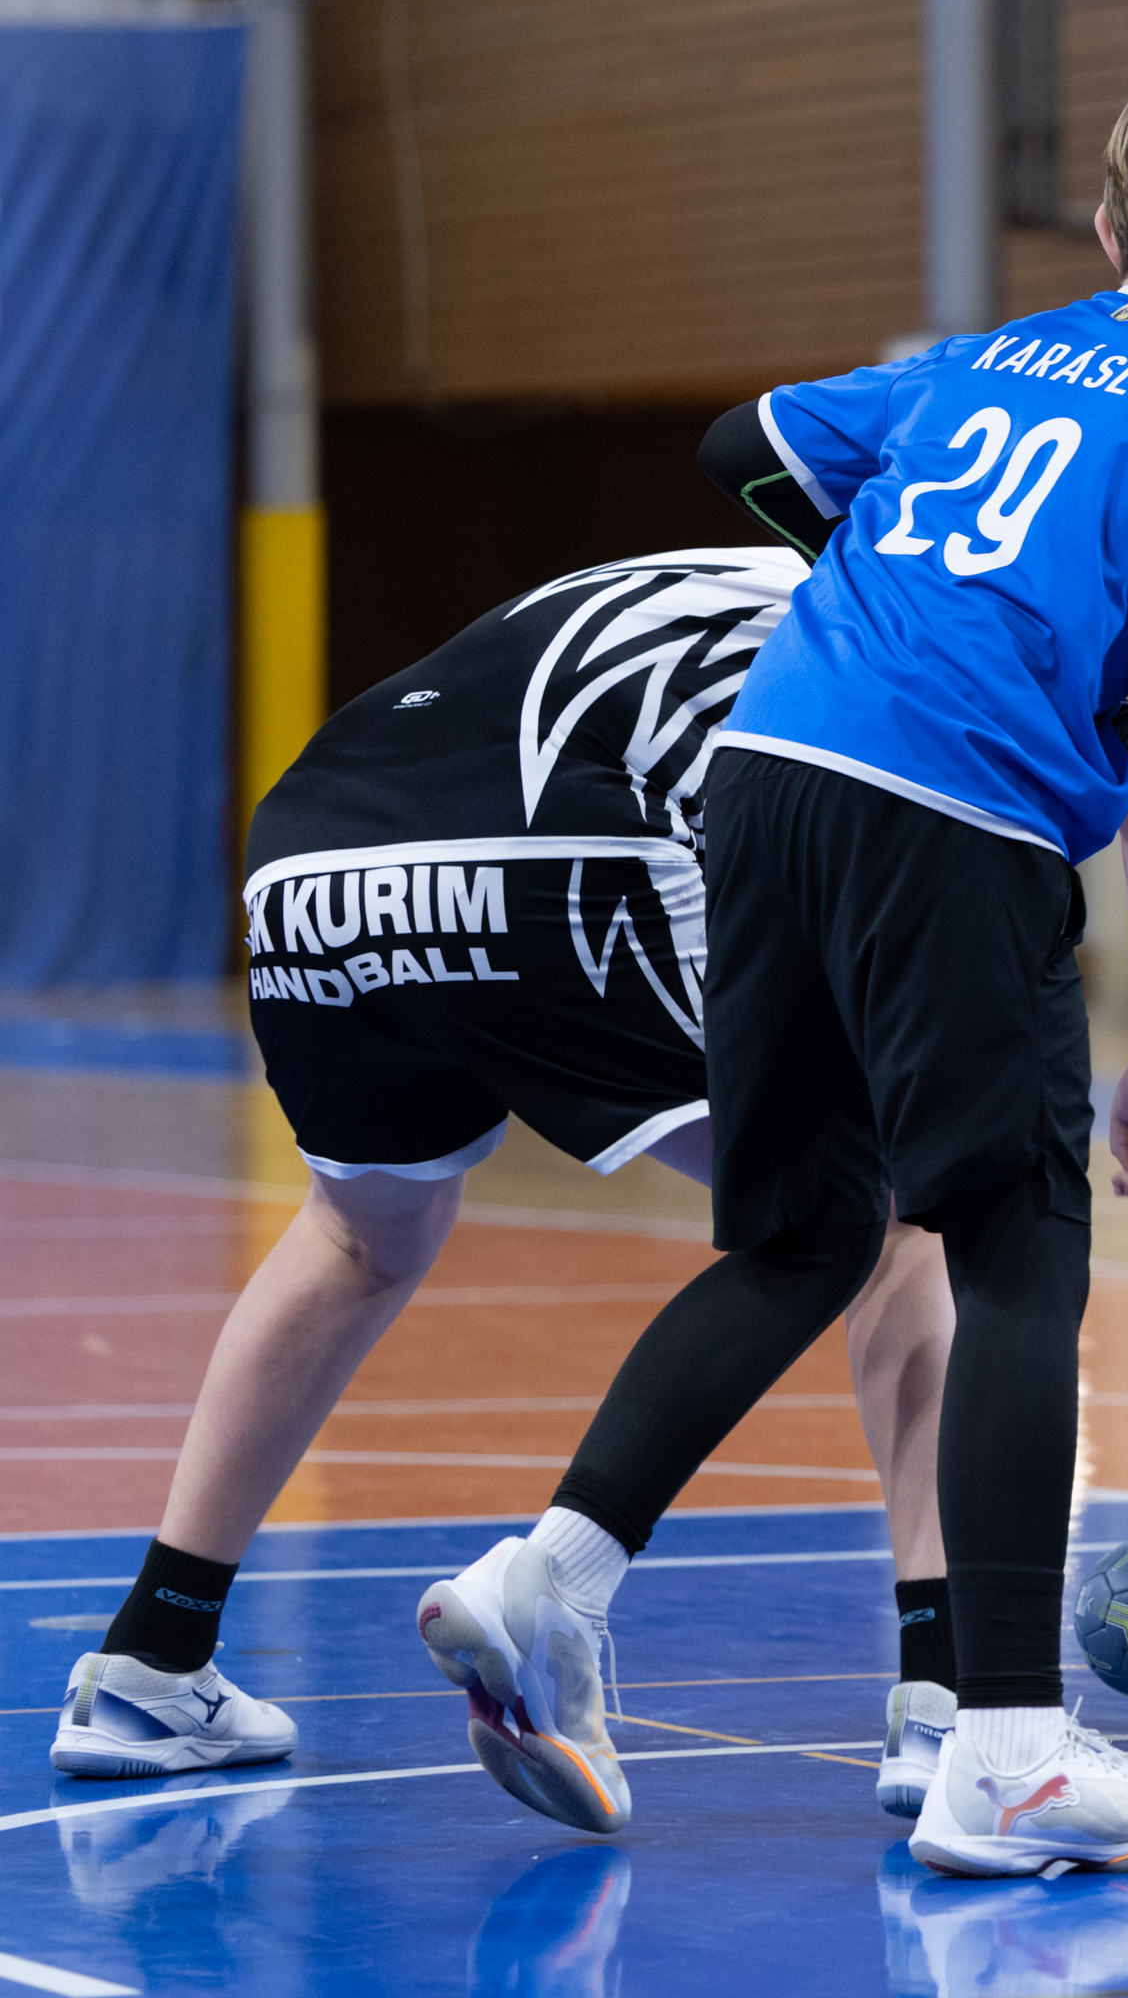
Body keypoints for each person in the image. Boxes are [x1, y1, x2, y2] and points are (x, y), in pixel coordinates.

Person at [414, 65, 1128, 1879]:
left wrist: (888, 590)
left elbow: (740, 444)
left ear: (1108, 230)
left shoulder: (974, 363)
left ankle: (551, 1579)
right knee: (1015, 1256)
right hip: (954, 817)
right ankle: (1007, 1752)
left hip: (769, 781)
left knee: (804, 1236)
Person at [47, 549, 965, 1803]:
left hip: (310, 852)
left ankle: (150, 1660)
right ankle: (948, 1698)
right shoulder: (925, 631)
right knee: (889, 1206)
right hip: (536, 842)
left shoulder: (754, 571)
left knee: (359, 1238)